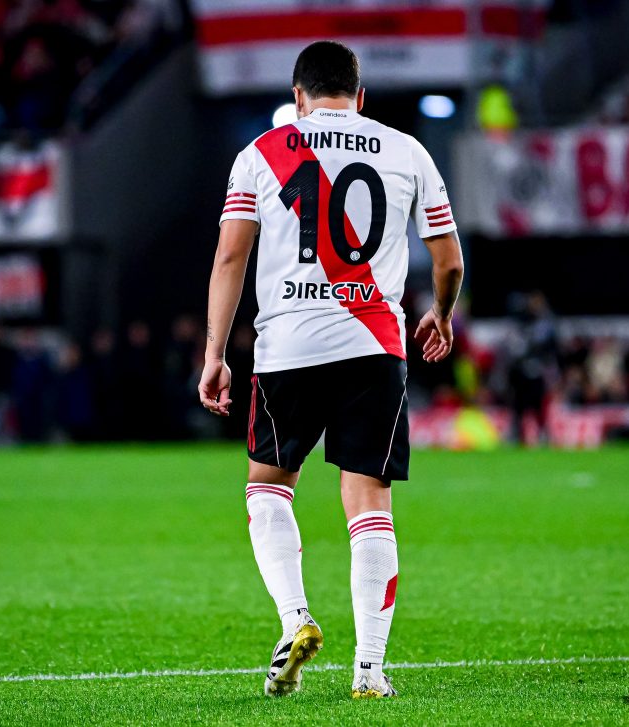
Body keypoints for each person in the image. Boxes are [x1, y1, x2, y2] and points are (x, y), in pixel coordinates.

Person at [198, 41, 463, 699]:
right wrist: (440, 313)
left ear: (298, 97)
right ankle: (369, 671)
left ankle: (295, 619)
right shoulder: (407, 150)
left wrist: (214, 353)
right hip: (375, 345)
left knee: (268, 486)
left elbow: (230, 258)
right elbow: (450, 259)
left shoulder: (261, 153)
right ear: (360, 96)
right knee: (369, 501)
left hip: (287, 346)